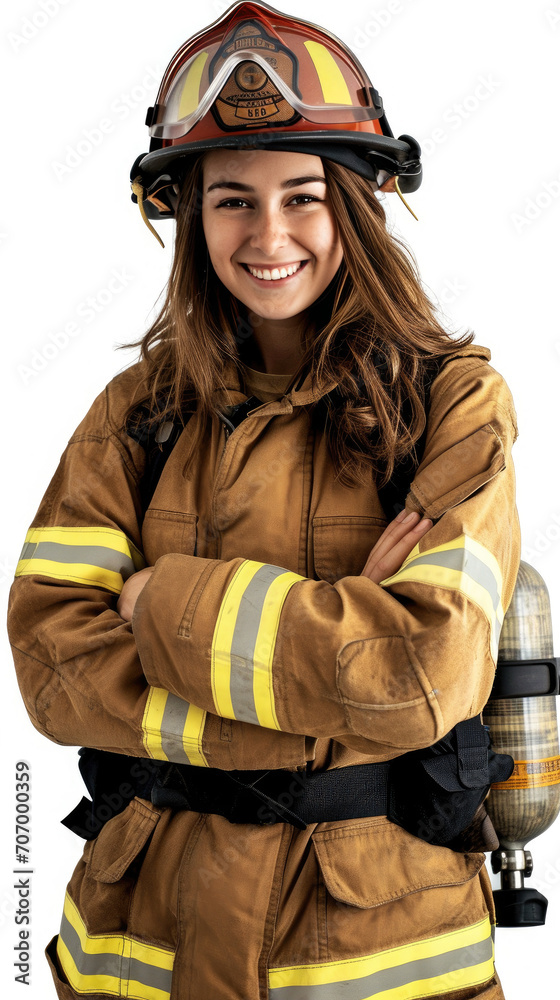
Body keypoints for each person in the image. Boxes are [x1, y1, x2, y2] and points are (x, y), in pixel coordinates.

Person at [8, 3, 520, 998]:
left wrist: (156, 604)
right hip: (136, 945)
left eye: (303, 196)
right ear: (189, 218)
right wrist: (334, 676)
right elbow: (48, 669)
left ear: (358, 205)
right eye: (231, 200)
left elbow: (422, 672)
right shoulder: (134, 413)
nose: (269, 234)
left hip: (374, 957)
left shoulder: (451, 402)